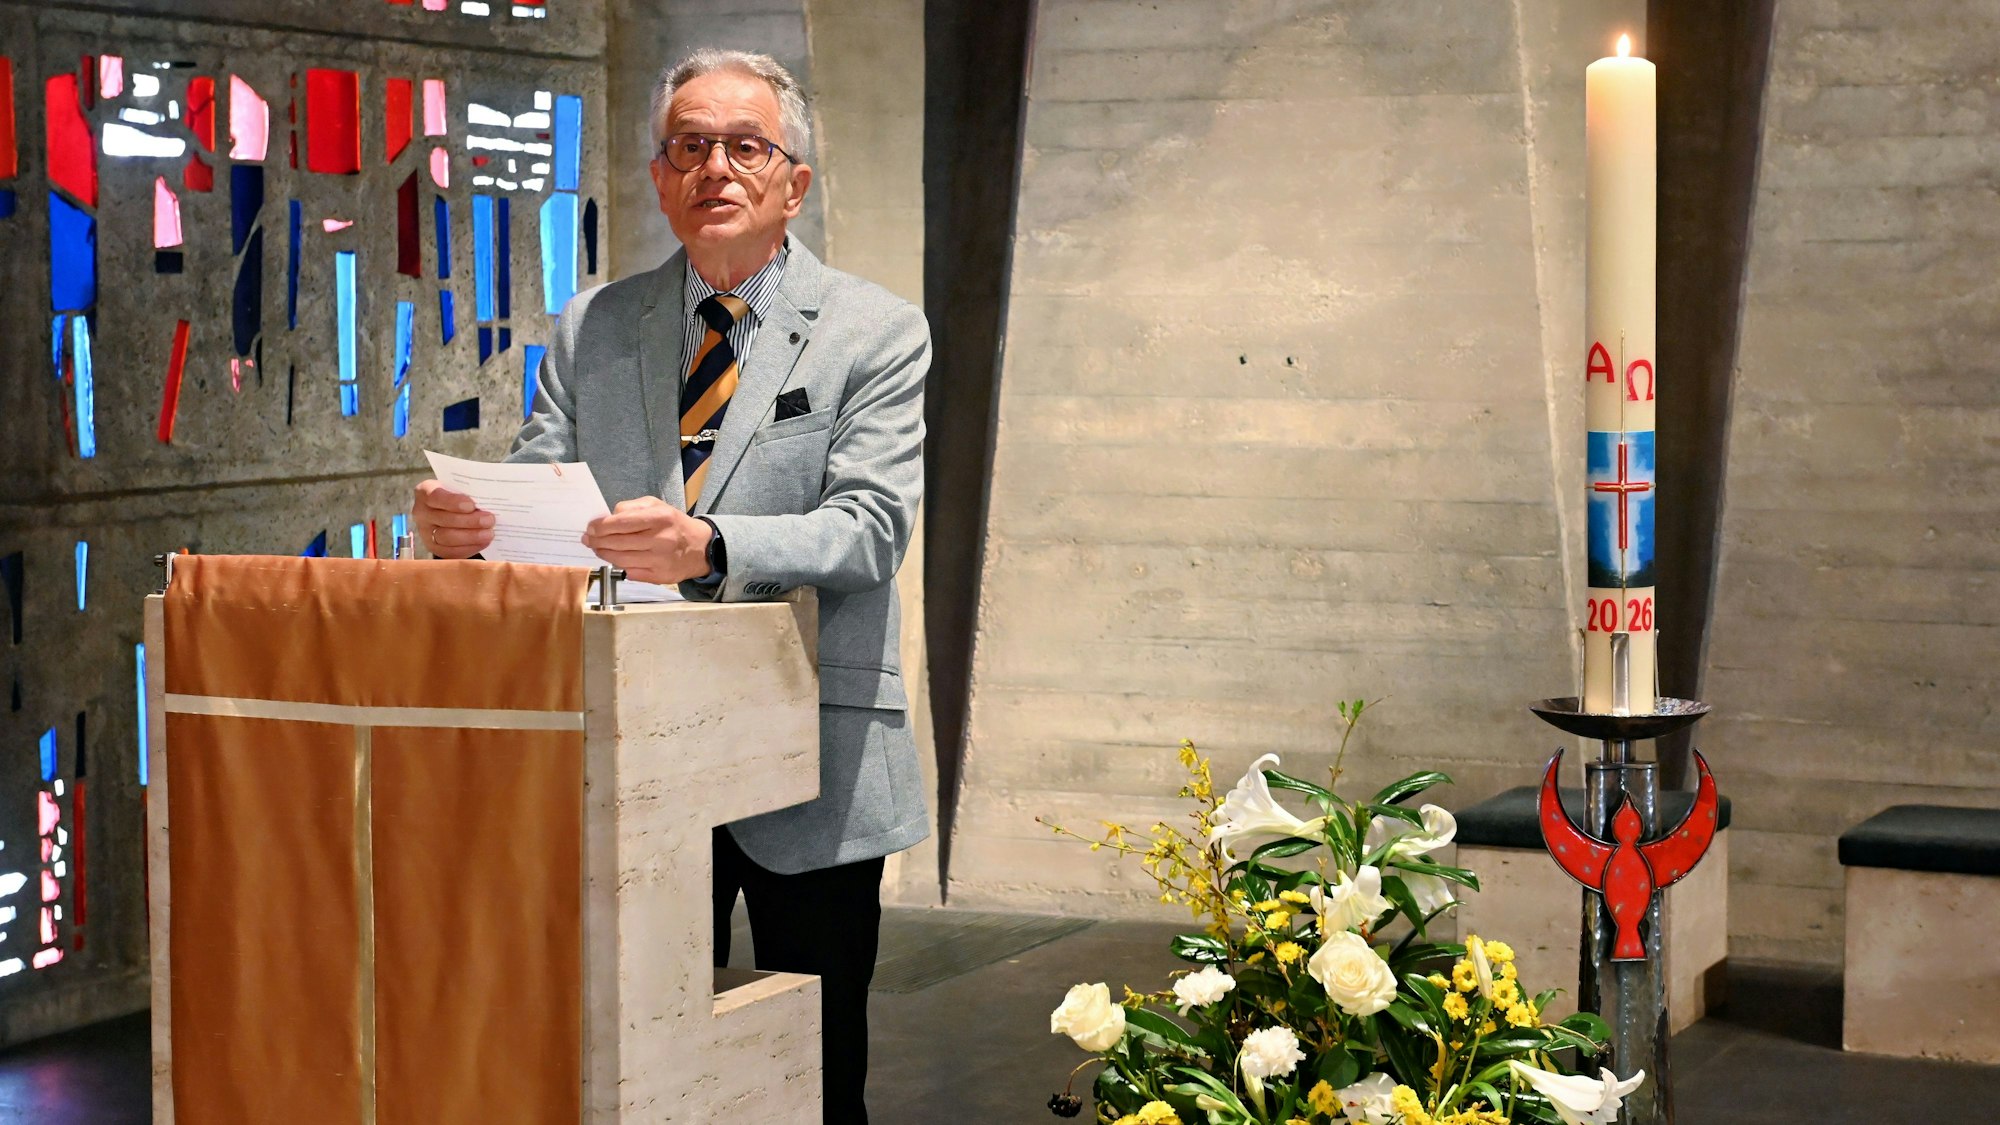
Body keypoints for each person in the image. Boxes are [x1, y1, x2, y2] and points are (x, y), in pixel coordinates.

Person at [409, 48, 928, 1124]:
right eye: (689, 146)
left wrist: (712, 543)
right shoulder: (594, 326)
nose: (714, 168)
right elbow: (543, 496)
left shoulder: (875, 330)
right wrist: (472, 530)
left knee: (812, 1077)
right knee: (634, 1067)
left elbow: (870, 530)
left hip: (809, 751)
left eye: (744, 147)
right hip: (631, 754)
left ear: (794, 182)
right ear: (658, 177)